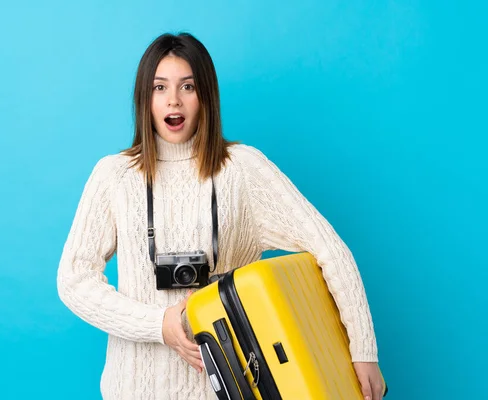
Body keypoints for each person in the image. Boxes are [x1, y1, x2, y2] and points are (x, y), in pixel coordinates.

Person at [57, 32, 384, 400]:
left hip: (231, 388)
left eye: (188, 87)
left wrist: (363, 352)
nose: (173, 100)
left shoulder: (243, 170)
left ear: (206, 96)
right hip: (133, 388)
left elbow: (331, 250)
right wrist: (159, 324)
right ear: (144, 98)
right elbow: (74, 280)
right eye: (159, 87)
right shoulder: (114, 175)